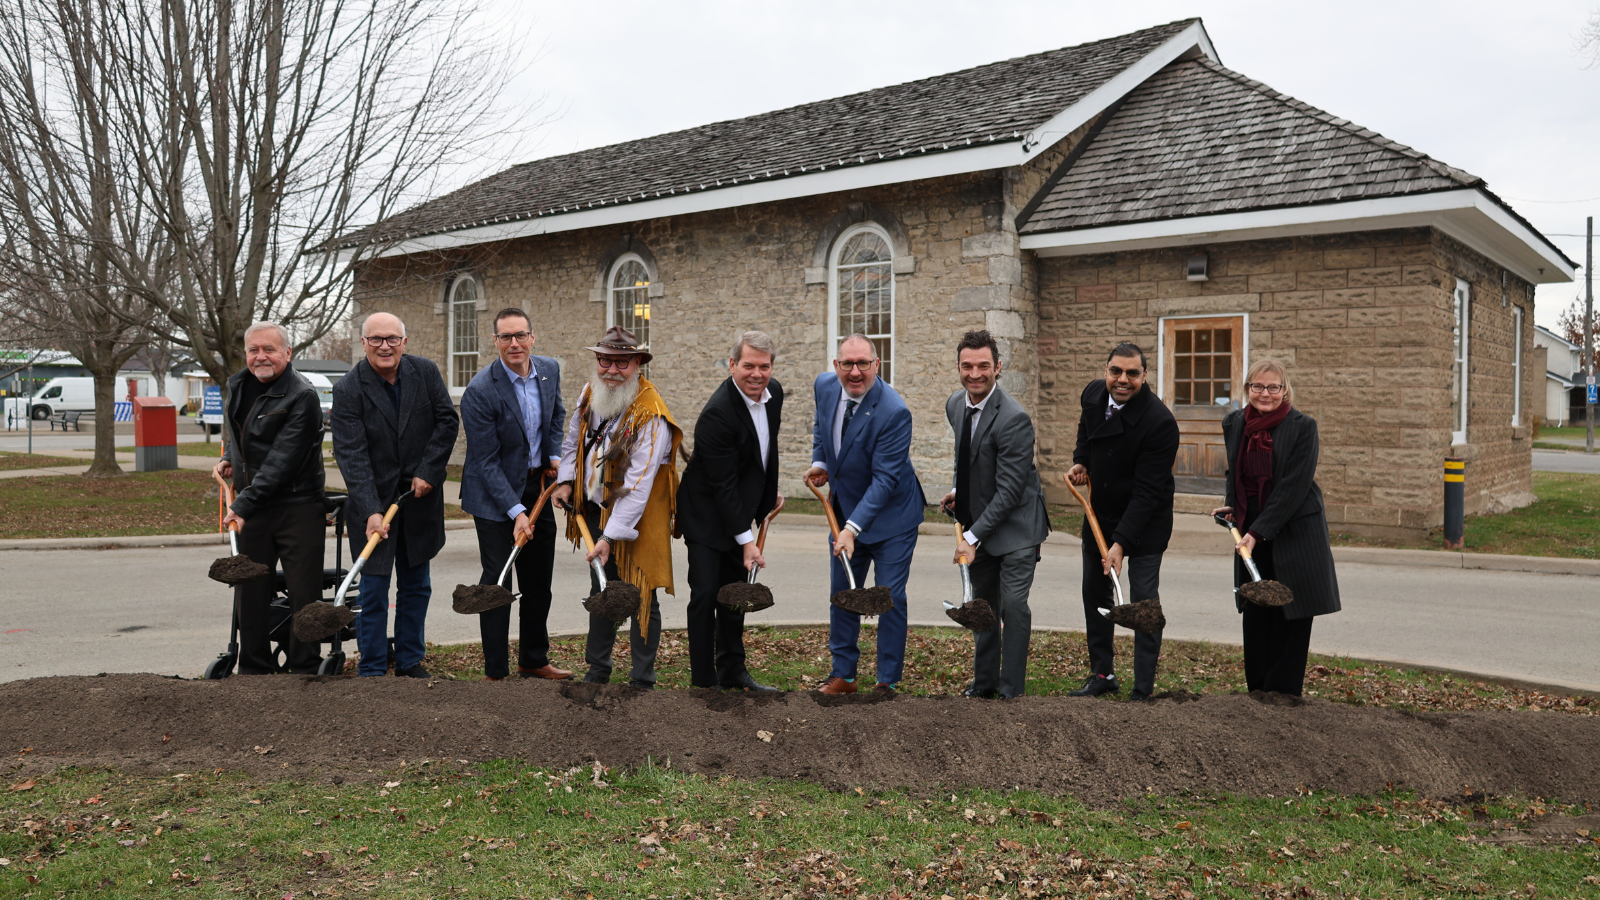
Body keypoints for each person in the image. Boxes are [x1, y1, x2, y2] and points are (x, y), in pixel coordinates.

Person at [551, 326, 682, 689]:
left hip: (639, 518)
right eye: (605, 360)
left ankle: (642, 679)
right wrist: (565, 480)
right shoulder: (591, 391)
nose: (611, 369)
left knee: (641, 594)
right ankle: (597, 670)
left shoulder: (651, 415)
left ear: (638, 363)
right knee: (602, 589)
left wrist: (609, 536)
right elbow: (572, 441)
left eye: (621, 363)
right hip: (595, 510)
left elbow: (637, 487)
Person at [330, 312, 459, 678]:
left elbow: (447, 421)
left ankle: (409, 662)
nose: (384, 346)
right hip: (373, 501)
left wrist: (429, 471)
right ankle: (371, 668)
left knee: (416, 586)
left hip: (419, 500)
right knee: (373, 590)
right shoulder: (349, 389)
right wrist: (371, 510)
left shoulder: (425, 372)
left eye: (391, 339)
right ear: (364, 344)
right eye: (375, 339)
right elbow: (351, 455)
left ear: (405, 341)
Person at [1214, 358, 1341, 696]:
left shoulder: (1302, 427)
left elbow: (1293, 487)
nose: (1265, 393)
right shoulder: (1235, 423)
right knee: (1256, 606)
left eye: (1273, 387)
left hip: (1295, 528)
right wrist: (1233, 506)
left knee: (1291, 610)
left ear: (1285, 391)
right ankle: (1257, 691)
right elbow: (1235, 473)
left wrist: (1256, 532)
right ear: (1248, 389)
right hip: (1252, 525)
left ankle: (1283, 695)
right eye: (1258, 386)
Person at [804, 334, 923, 695]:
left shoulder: (894, 411)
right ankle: (845, 676)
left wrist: (852, 529)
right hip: (843, 510)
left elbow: (886, 480)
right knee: (842, 591)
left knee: (889, 597)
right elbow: (821, 426)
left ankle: (886, 681)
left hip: (892, 518)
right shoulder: (825, 386)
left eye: (863, 364)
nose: (854, 372)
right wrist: (821, 461)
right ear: (836, 365)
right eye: (846, 364)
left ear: (877, 365)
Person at [459, 308, 572, 682]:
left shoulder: (549, 369)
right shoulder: (479, 391)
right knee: (498, 580)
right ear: (495, 342)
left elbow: (557, 415)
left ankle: (533, 660)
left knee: (538, 578)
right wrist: (516, 512)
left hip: (535, 483)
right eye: (505, 337)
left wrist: (553, 455)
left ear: (532, 337)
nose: (514, 344)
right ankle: (496, 672)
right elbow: (485, 461)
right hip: (493, 495)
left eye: (520, 335)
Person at [939, 330, 1050, 700]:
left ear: (997, 367)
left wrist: (970, 538)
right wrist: (961, 492)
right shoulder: (956, 405)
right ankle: (984, 683)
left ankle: (1010, 689)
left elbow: (1010, 492)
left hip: (1018, 527)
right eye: (967, 366)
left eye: (983, 365)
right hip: (981, 521)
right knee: (982, 605)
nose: (975, 373)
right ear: (958, 367)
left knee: (1014, 605)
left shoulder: (1014, 419)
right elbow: (969, 459)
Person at [1065, 342, 1179, 701]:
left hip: (1145, 521)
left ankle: (1142, 688)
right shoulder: (1093, 394)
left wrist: (1119, 544)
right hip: (1100, 511)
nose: (1122, 380)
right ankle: (1102, 674)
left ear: (1144, 376)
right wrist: (1082, 459)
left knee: (1144, 604)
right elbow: (1087, 428)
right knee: (1094, 593)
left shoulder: (1160, 423)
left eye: (1132, 373)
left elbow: (1147, 493)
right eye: (1116, 371)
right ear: (1106, 370)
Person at [213, 322, 327, 674]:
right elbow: (238, 428)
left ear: (288, 353)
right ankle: (254, 668)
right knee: (250, 590)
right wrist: (231, 456)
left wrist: (242, 505)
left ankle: (304, 667)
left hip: (298, 505)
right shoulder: (238, 384)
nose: (261, 357)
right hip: (254, 506)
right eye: (253, 350)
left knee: (303, 592)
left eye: (270, 350)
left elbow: (282, 462)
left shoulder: (302, 396)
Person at [676, 331, 783, 692]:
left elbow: (765, 454)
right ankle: (704, 682)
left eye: (764, 366)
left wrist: (768, 499)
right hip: (705, 513)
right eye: (748, 365)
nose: (757, 374)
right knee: (707, 594)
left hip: (737, 506)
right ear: (732, 364)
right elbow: (722, 486)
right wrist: (747, 540)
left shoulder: (774, 395)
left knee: (735, 592)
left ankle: (733, 670)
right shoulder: (717, 415)